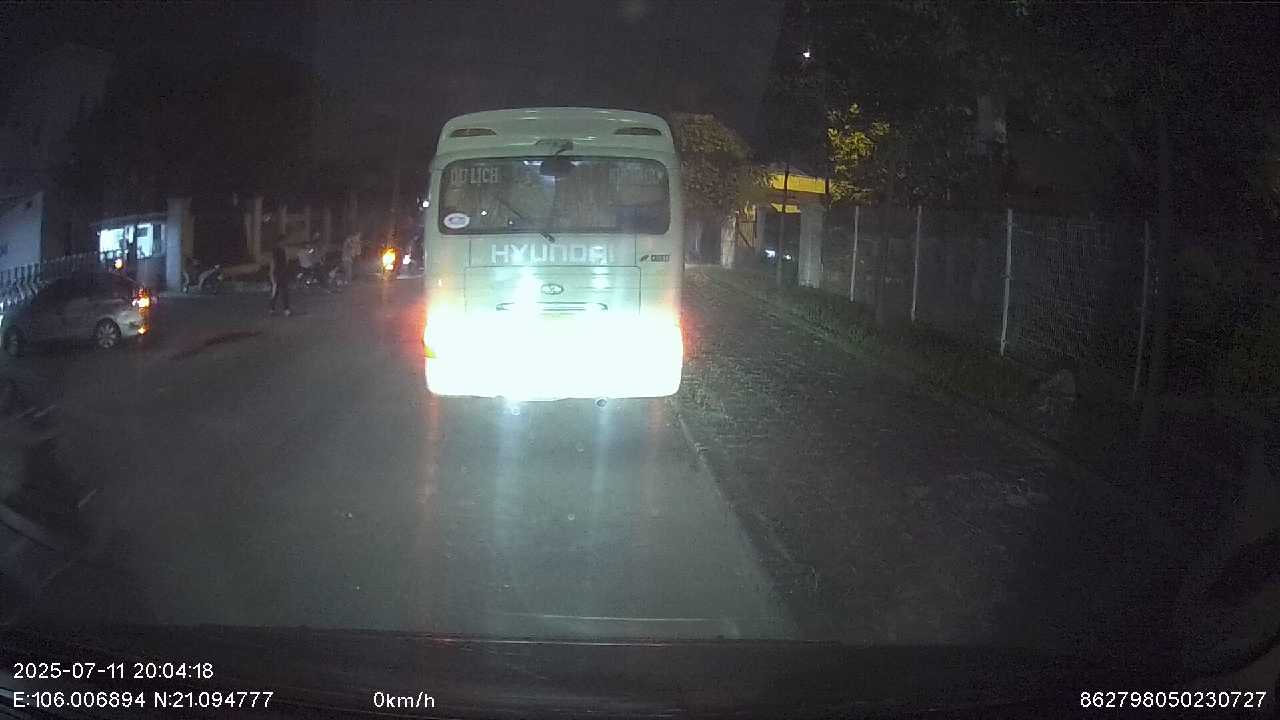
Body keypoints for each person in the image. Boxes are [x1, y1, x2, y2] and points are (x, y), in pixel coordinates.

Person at [268, 241, 291, 316]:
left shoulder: (278, 256)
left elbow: (272, 266)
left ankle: (272, 309)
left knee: (276, 293)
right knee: (282, 293)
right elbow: (273, 266)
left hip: (278, 276)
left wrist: (271, 276)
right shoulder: (279, 256)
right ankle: (285, 310)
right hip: (279, 276)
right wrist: (272, 276)